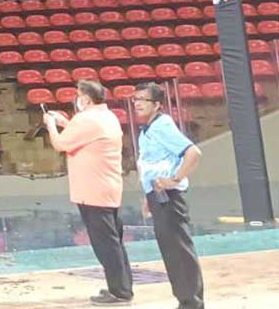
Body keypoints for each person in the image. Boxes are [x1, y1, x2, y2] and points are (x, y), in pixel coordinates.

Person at [44, 80, 131, 305]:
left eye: (78, 95)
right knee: (114, 241)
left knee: (106, 244)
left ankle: (119, 292)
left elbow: (61, 144)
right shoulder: (107, 116)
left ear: (87, 99)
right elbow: (82, 133)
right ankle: (121, 287)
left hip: (93, 191)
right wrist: (66, 121)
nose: (76, 98)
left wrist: (51, 124)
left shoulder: (86, 119)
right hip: (107, 188)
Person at [134, 83, 204, 309]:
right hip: (158, 195)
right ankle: (185, 300)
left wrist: (174, 178)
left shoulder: (162, 126)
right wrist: (148, 196)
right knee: (171, 251)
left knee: (179, 250)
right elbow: (151, 167)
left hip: (171, 196)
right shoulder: (148, 129)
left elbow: (193, 153)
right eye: (136, 99)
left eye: (143, 99)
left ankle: (191, 303)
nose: (137, 103)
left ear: (157, 105)